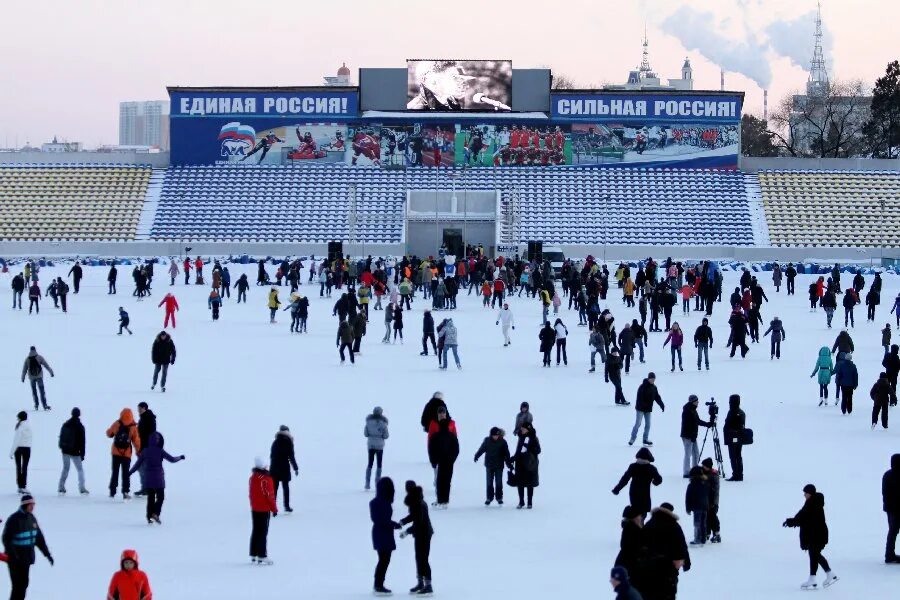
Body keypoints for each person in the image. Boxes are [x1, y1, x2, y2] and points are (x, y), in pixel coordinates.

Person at [783, 484, 838, 590]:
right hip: (817, 534)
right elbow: (802, 516)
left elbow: (803, 517)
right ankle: (818, 577)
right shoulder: (812, 503)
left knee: (815, 554)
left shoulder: (812, 504)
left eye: (806, 493)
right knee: (814, 555)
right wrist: (791, 521)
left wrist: (791, 522)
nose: (804, 495)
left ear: (810, 493)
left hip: (817, 535)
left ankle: (826, 574)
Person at [2, 495, 53, 600]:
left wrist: (47, 554)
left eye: (33, 505)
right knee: (17, 586)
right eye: (31, 505)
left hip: (26, 559)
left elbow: (39, 538)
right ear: (25, 505)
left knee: (24, 584)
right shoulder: (14, 519)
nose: (33, 507)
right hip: (15, 560)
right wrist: (12, 554)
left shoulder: (31, 518)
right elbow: (6, 538)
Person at [128, 432, 184, 524]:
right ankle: (155, 514)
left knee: (150, 498)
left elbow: (137, 465)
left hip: (148, 479)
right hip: (158, 479)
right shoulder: (160, 451)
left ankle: (149, 517)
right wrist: (180, 457)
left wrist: (129, 473)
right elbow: (172, 459)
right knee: (160, 497)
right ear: (158, 441)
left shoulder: (145, 451)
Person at [641, 502, 690, 600]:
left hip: (649, 566)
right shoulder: (674, 526)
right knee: (667, 594)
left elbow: (640, 544)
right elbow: (681, 545)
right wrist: (686, 563)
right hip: (668, 568)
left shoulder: (649, 524)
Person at [399, 481, 434, 595]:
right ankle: (420, 582)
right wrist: (403, 522)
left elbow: (419, 522)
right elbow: (413, 516)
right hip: (420, 533)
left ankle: (428, 585)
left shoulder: (418, 503)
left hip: (424, 534)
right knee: (419, 558)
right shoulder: (416, 500)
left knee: (423, 559)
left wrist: (407, 531)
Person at [370, 477, 402, 596]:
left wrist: (392, 524)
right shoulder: (380, 502)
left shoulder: (378, 502)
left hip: (383, 533)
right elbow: (380, 520)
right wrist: (393, 524)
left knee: (384, 560)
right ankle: (378, 584)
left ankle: (378, 583)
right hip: (382, 533)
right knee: (383, 560)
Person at [612, 447, 662, 517]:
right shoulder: (651, 468)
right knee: (642, 513)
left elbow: (625, 479)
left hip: (633, 492)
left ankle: (634, 524)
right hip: (645, 494)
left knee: (635, 511)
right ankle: (640, 525)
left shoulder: (633, 466)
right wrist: (654, 482)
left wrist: (617, 489)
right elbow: (659, 479)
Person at [427, 407, 459, 509]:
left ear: (445, 414)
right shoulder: (433, 424)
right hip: (441, 459)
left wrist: (452, 458)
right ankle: (441, 499)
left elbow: (455, 445)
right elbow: (430, 442)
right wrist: (432, 459)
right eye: (440, 413)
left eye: (443, 413)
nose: (442, 415)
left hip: (445, 459)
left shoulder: (451, 424)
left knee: (443, 480)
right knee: (440, 480)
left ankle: (443, 500)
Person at [106, 408, 141, 500]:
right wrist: (139, 451)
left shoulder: (117, 423)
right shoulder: (133, 427)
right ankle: (125, 492)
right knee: (125, 473)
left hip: (115, 452)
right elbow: (136, 441)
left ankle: (112, 491)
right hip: (126, 454)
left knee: (115, 472)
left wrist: (112, 432)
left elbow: (109, 434)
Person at [249, 457, 277, 565]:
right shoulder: (266, 479)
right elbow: (270, 496)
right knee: (263, 532)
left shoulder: (253, 478)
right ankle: (262, 554)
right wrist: (274, 509)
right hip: (264, 510)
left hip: (255, 509)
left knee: (256, 531)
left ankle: (253, 553)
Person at [474, 426, 511, 506]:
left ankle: (499, 498)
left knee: (498, 482)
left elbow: (506, 454)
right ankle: (489, 498)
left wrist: (509, 464)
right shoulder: (487, 441)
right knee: (489, 482)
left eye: (497, 435)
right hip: (489, 465)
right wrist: (477, 456)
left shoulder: (503, 442)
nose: (496, 437)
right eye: (494, 435)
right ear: (491, 435)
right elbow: (482, 449)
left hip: (499, 465)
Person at [58, 407, 88, 496]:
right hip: (75, 451)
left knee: (65, 468)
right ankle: (82, 487)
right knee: (80, 470)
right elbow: (82, 441)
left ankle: (61, 486)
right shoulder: (80, 426)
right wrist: (82, 454)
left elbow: (61, 436)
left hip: (65, 450)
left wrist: (62, 447)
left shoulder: (66, 424)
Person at [629, 373, 664, 447]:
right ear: (648, 379)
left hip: (648, 409)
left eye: (654, 379)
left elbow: (657, 397)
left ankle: (645, 439)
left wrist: (661, 405)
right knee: (638, 424)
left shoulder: (654, 387)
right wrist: (644, 405)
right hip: (640, 409)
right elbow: (639, 398)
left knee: (648, 424)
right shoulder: (642, 386)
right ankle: (632, 438)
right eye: (651, 379)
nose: (653, 380)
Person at [269, 425, 298, 514]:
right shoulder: (288, 442)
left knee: (274, 488)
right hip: (284, 468)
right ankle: (286, 506)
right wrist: (295, 468)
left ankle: (273, 509)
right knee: (285, 487)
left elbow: (272, 456)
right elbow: (291, 457)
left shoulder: (275, 442)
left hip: (274, 468)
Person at [511, 422, 541, 509]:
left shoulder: (534, 438)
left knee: (530, 483)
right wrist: (513, 458)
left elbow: (538, 450)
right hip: (520, 463)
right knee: (520, 483)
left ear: (528, 429)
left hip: (530, 464)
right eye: (522, 429)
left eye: (524, 429)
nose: (522, 430)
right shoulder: (521, 437)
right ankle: (521, 502)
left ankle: (529, 502)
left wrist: (530, 449)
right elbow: (519, 450)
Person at [680, 395, 711, 477]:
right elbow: (688, 424)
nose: (698, 403)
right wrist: (691, 435)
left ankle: (695, 469)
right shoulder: (687, 411)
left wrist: (707, 424)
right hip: (688, 436)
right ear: (692, 402)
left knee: (696, 453)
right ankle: (686, 472)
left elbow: (697, 421)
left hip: (693, 435)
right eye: (696, 401)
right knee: (688, 454)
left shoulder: (693, 410)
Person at [613, 506, 644, 583]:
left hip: (624, 566)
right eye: (639, 516)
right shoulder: (633, 530)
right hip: (629, 568)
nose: (641, 518)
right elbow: (632, 550)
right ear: (635, 517)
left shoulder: (629, 528)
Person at [20, 346, 53, 411]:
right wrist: (51, 372)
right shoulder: (39, 357)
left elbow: (24, 369)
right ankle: (45, 405)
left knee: (34, 391)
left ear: (30, 350)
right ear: (35, 350)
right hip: (39, 377)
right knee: (42, 391)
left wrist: (23, 378)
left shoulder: (27, 359)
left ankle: (36, 405)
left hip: (31, 378)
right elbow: (46, 365)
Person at [365, 407, 389, 491]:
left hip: (371, 444)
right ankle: (377, 483)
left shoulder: (368, 422)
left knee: (370, 464)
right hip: (379, 445)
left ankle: (367, 483)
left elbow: (365, 433)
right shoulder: (384, 423)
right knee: (379, 464)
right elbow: (386, 436)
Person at [723, 394, 746, 481]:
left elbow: (727, 424)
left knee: (733, 456)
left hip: (732, 437)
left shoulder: (732, 412)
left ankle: (735, 474)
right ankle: (740, 474)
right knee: (738, 455)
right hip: (739, 437)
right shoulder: (741, 412)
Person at [685, 466, 709, 546]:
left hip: (696, 507)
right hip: (705, 507)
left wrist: (688, 508)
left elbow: (688, 497)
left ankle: (697, 538)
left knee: (697, 523)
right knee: (703, 523)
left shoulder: (691, 485)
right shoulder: (705, 483)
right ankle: (703, 538)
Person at [9, 412, 31, 494]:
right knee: (24, 467)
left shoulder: (20, 426)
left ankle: (20, 486)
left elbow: (16, 440)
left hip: (18, 449)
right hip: (27, 448)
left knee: (18, 467)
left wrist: (11, 452)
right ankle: (23, 486)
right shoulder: (28, 426)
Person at [701, 457, 721, 543]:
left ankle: (716, 534)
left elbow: (716, 492)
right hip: (705, 501)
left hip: (712, 502)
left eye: (704, 466)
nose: (702, 467)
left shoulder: (713, 476)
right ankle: (707, 533)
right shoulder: (704, 473)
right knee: (706, 517)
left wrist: (714, 503)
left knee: (712, 518)